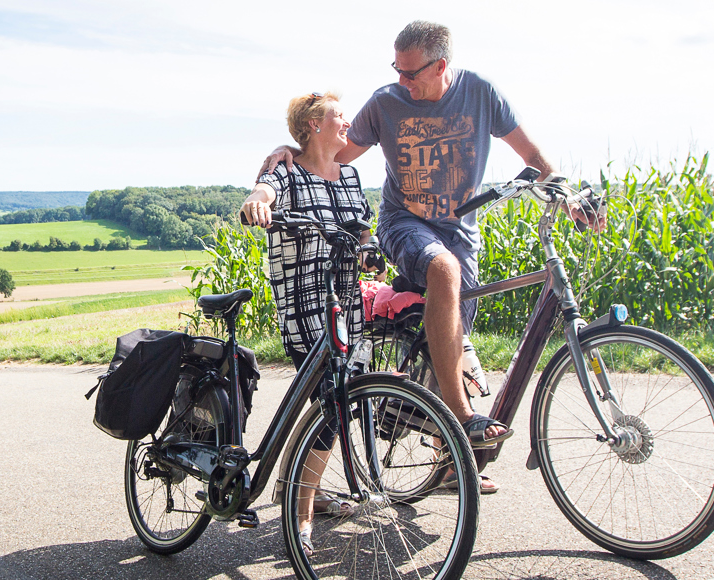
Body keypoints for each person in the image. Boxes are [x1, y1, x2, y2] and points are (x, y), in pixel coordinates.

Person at [258, 21, 604, 494]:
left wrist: (564, 195)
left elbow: (535, 158)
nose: (402, 81)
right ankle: (462, 420)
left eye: (411, 73)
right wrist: (289, 154)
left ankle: (446, 465)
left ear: (441, 65)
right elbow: (334, 154)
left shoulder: (481, 93)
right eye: (396, 70)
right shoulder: (385, 103)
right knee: (444, 269)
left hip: (461, 233)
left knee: (455, 339)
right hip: (404, 224)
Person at [240, 91, 370, 554]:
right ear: (314, 125)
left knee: (344, 400)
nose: (347, 122)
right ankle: (301, 514)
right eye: (339, 116)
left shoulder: (350, 174)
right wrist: (259, 197)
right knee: (331, 403)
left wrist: (370, 250)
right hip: (305, 302)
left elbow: (362, 227)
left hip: (347, 302)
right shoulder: (287, 170)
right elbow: (266, 188)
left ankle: (295, 484)